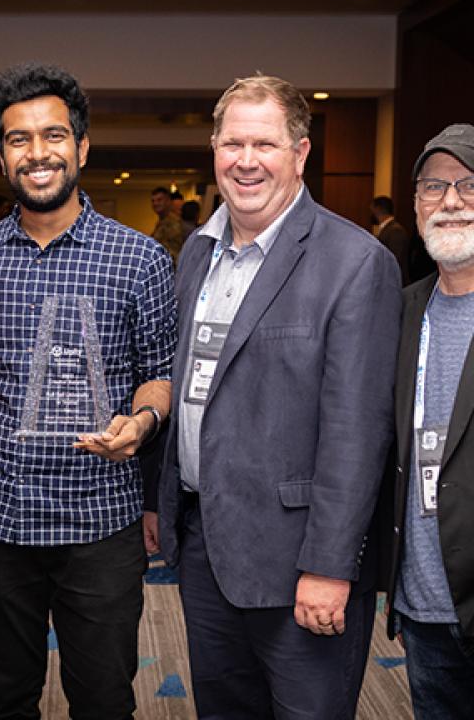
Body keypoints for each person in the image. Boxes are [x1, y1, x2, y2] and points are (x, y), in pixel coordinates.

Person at [158, 74, 402, 719]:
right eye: (231, 143)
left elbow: (358, 431)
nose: (245, 161)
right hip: (206, 544)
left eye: (263, 144)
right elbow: (192, 389)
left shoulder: (354, 262)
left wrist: (328, 567)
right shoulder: (198, 253)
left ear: (299, 153)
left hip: (299, 560)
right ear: (213, 148)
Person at [0, 62, 176, 720]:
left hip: (100, 525)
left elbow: (159, 373)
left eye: (53, 136)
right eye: (19, 140)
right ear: (1, 156)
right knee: (5, 695)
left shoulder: (139, 258)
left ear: (81, 147)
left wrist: (140, 422)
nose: (38, 153)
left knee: (104, 699)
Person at [385, 124, 474, 719]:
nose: (450, 201)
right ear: (415, 205)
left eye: (469, 185)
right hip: (423, 603)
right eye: (433, 186)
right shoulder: (400, 308)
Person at [371, 195, 410, 285]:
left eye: (372, 209)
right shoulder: (386, 229)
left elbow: (395, 261)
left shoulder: (396, 231)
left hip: (394, 284)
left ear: (378, 209)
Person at [150, 186, 184, 264]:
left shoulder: (174, 222)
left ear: (168, 201)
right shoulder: (161, 222)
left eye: (159, 200)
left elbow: (174, 252)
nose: (155, 203)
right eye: (153, 201)